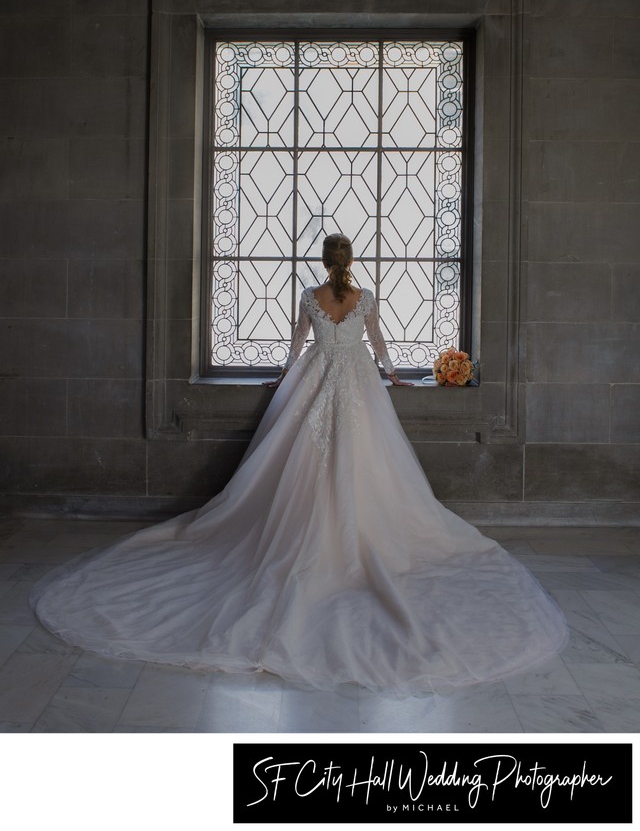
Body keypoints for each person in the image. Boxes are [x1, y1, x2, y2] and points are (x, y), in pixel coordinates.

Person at [30, 234, 568, 697]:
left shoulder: (312, 297)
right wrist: (393, 376)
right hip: (356, 381)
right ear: (351, 261)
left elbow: (296, 347)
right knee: (366, 460)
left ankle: (309, 532)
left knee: (301, 458)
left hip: (318, 379)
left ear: (323, 261)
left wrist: (280, 377)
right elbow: (379, 345)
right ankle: (350, 533)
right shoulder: (364, 297)